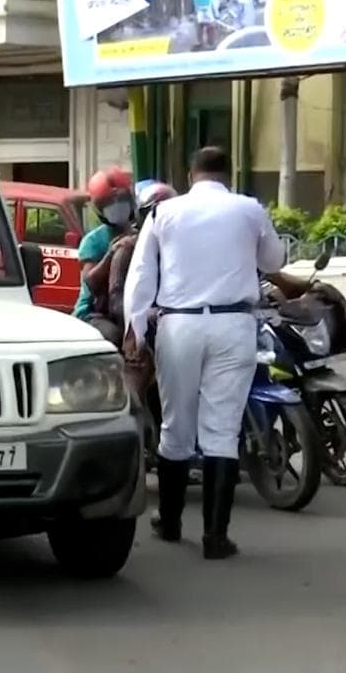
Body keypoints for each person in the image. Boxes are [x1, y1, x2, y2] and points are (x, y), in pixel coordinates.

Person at [123, 146, 286, 560]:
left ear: (190, 173)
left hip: (180, 325)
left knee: (177, 424)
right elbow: (274, 259)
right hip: (234, 325)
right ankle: (216, 537)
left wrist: (136, 330)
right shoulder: (249, 209)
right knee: (222, 431)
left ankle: (172, 522)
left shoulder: (164, 213)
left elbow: (142, 274)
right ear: (227, 174)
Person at [105, 182, 179, 398]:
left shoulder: (182, 250)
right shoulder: (127, 249)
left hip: (174, 327)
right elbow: (117, 302)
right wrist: (151, 315)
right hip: (136, 327)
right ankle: (135, 415)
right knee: (138, 367)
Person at [73, 167, 138, 345]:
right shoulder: (93, 241)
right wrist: (111, 254)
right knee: (114, 337)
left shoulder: (140, 234)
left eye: (122, 199)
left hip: (128, 308)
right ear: (99, 209)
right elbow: (90, 281)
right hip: (95, 313)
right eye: (109, 204)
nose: (117, 207)